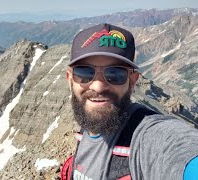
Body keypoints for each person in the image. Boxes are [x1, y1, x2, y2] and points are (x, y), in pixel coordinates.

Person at [62, 23, 198, 180]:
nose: (98, 86)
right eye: (85, 72)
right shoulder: (86, 128)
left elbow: (180, 149)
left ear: (132, 81)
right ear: (70, 79)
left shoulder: (147, 137)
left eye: (115, 74)